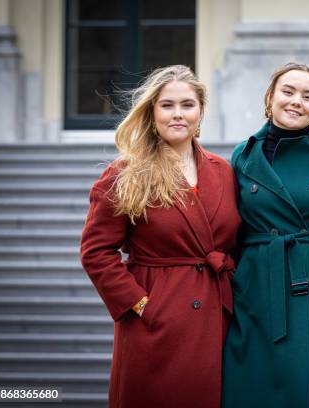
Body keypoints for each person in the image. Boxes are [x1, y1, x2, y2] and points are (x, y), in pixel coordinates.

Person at [79, 65, 241, 408]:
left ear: (201, 112)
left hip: (216, 316)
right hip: (156, 322)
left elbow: (237, 237)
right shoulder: (125, 172)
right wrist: (139, 303)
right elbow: (96, 252)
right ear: (152, 113)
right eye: (167, 105)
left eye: (187, 104)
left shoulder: (223, 170)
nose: (178, 114)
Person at [222, 62, 309, 407]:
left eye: (308, 96)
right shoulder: (243, 154)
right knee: (255, 383)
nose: (296, 101)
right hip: (258, 281)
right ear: (270, 96)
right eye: (288, 91)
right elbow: (229, 221)